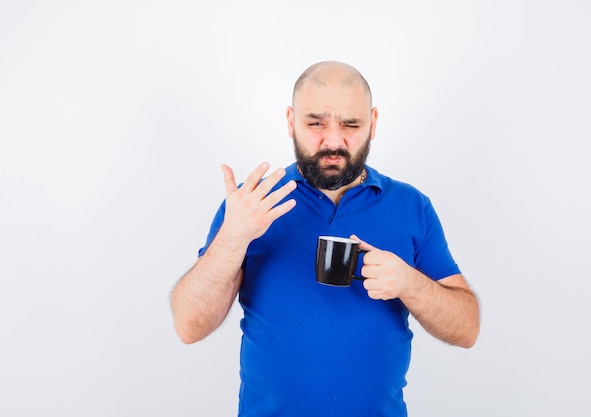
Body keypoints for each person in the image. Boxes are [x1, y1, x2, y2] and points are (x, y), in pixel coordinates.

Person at [170, 61, 480, 417]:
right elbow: (189, 326)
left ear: (373, 123)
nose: (333, 141)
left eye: (351, 124)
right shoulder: (251, 204)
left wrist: (410, 283)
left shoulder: (411, 206)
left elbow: (467, 329)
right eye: (315, 123)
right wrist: (233, 238)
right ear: (290, 121)